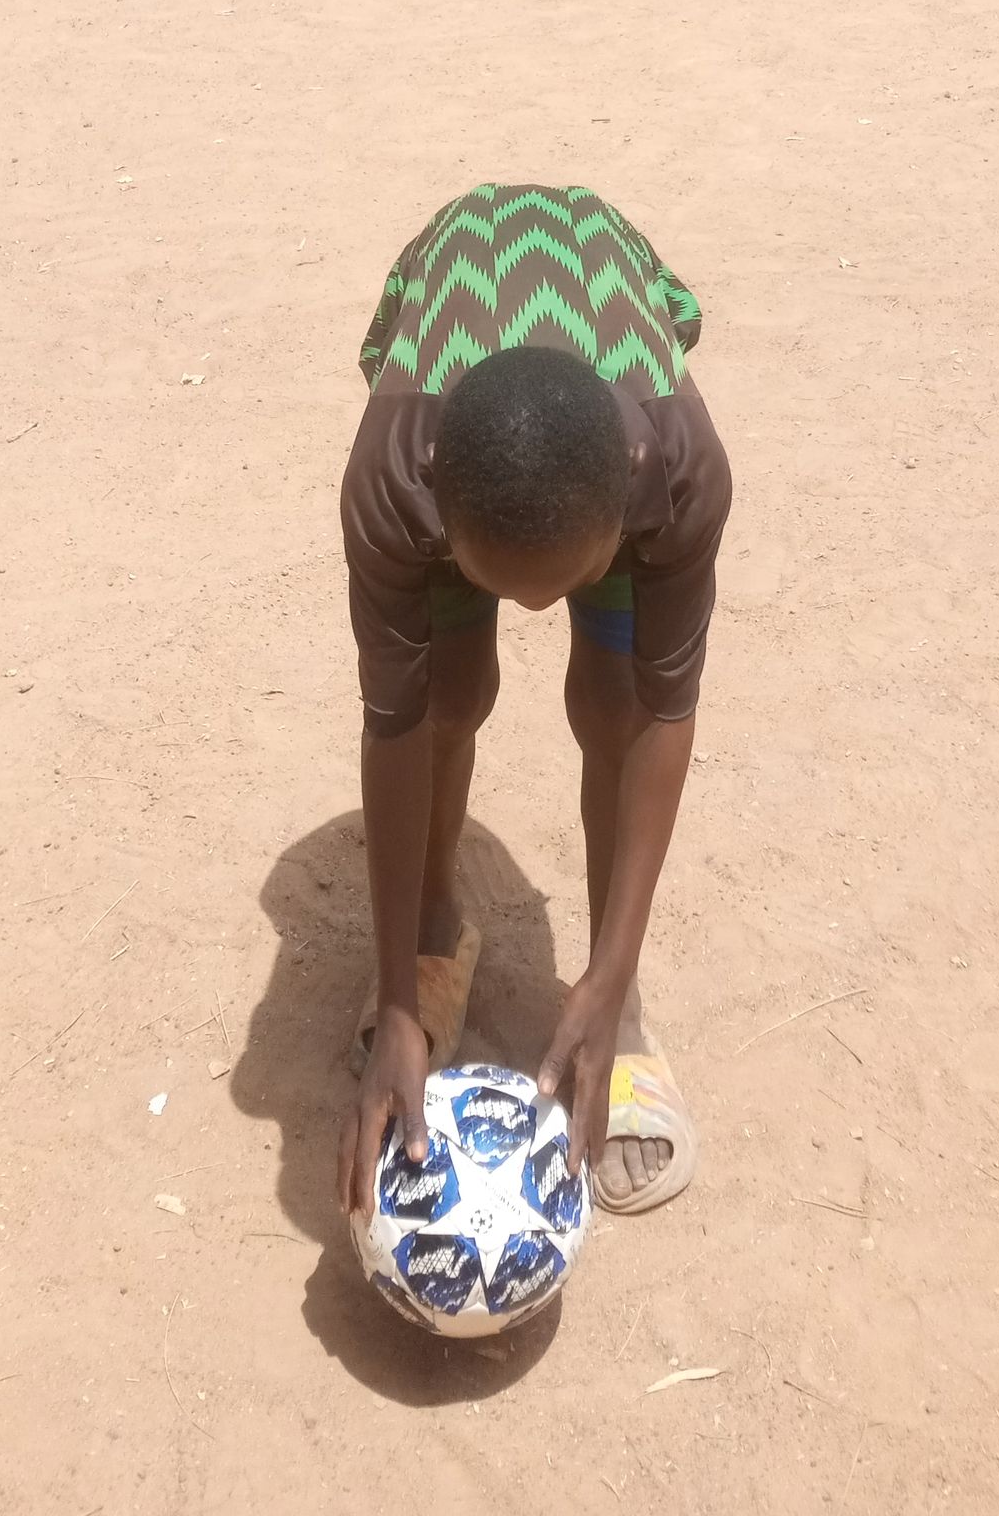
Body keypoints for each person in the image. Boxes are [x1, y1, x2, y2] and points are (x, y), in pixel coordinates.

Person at [335, 181, 732, 1222]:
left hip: (602, 347)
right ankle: (433, 938)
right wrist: (392, 996)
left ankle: (614, 1007)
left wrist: (611, 971)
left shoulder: (680, 470)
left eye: (566, 581)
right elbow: (394, 722)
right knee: (450, 690)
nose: (538, 608)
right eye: (500, 583)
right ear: (438, 507)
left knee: (615, 700)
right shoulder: (392, 480)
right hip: (456, 316)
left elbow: (667, 711)